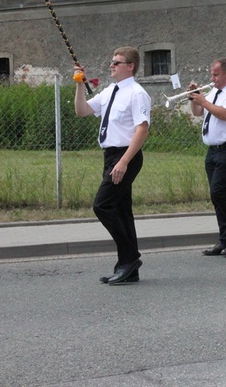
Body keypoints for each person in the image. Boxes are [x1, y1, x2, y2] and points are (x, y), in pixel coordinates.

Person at [74, 47, 151, 285]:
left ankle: (130, 258)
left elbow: (142, 129)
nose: (112, 65)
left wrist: (124, 161)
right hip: (110, 156)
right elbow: (82, 110)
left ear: (130, 66)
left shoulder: (137, 94)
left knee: (103, 205)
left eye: (117, 62)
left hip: (125, 155)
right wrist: (79, 83)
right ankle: (127, 267)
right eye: (112, 62)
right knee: (121, 210)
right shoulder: (110, 91)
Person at [190, 58, 226, 256]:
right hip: (213, 149)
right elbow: (198, 112)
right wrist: (195, 98)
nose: (212, 78)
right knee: (215, 196)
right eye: (211, 74)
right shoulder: (215, 91)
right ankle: (224, 239)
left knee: (219, 191)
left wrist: (204, 101)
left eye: (216, 75)